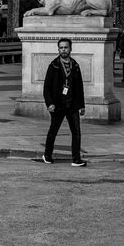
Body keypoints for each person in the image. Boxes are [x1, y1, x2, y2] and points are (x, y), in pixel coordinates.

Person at [42, 38, 86, 166]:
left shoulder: (75, 65)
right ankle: (47, 155)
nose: (63, 50)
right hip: (58, 104)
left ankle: (76, 159)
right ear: (58, 49)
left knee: (76, 132)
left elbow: (80, 87)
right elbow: (47, 87)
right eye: (61, 48)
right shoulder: (54, 65)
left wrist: (82, 105)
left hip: (72, 104)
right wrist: (49, 103)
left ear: (70, 49)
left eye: (65, 47)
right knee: (53, 131)